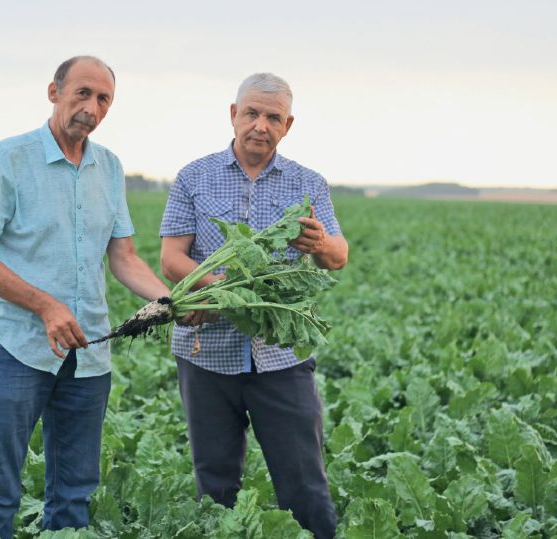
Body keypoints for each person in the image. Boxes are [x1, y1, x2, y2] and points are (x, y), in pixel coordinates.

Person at [0, 56, 185, 539]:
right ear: (53, 92)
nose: (92, 108)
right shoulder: (10, 158)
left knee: (76, 494)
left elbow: (124, 258)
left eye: (104, 99)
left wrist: (172, 301)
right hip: (18, 348)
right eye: (82, 93)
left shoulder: (110, 167)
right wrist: (45, 306)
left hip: (88, 355)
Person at [158, 72, 349, 539]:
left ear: (288, 125)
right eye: (252, 113)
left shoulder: (309, 183)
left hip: (281, 355)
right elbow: (171, 258)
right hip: (206, 352)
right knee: (215, 483)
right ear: (233, 115)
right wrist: (223, 289)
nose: (261, 125)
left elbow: (338, 256)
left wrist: (320, 242)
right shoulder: (194, 177)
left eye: (273, 117)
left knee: (304, 483)